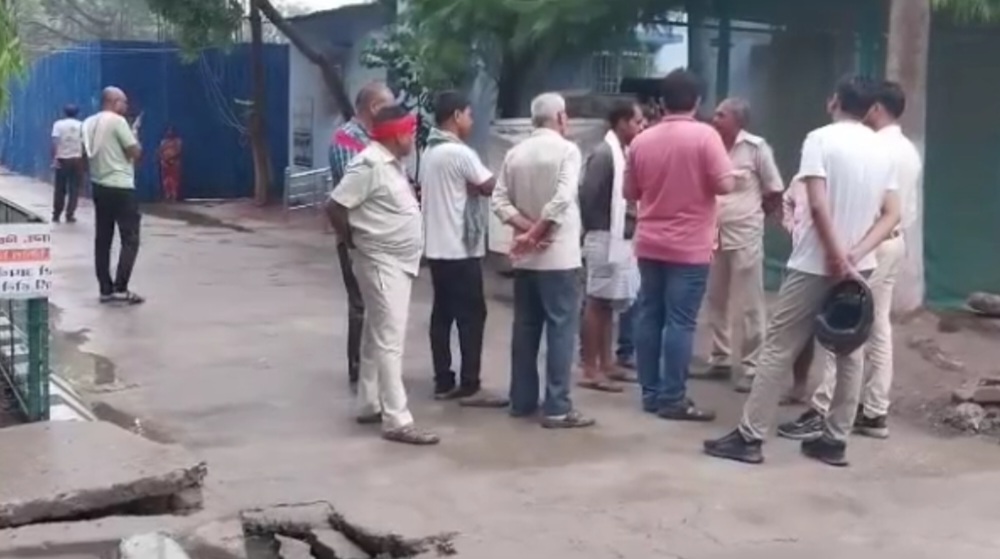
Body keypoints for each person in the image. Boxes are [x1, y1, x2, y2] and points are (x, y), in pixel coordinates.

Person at [703, 76, 901, 467]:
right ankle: (835, 439)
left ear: (834, 101)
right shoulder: (883, 149)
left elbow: (819, 204)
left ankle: (750, 436)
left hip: (814, 262)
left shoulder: (819, 140)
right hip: (860, 266)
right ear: (870, 108)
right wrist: (855, 254)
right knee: (849, 351)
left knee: (779, 346)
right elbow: (892, 213)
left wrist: (834, 255)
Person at [778, 80, 923, 442]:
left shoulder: (875, 147)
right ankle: (874, 410)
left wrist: (847, 251)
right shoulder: (907, 149)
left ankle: (823, 409)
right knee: (875, 328)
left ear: (876, 108)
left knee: (840, 326)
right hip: (891, 241)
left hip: (866, 245)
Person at [325, 104, 438, 446]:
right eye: (409, 132)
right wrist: (354, 241)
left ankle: (369, 402)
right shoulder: (370, 164)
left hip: (395, 261)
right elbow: (335, 206)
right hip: (380, 260)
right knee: (390, 339)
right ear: (397, 135)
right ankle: (397, 419)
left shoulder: (391, 164)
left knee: (376, 334)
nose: (413, 138)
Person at [625, 69, 735, 421]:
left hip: (650, 243)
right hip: (689, 247)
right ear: (697, 101)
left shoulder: (642, 140)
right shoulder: (706, 137)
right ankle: (673, 397)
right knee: (680, 322)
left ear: (661, 102)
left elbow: (629, 192)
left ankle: (650, 393)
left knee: (649, 315)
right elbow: (725, 185)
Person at [491, 92, 595, 429]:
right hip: (559, 257)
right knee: (561, 331)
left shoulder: (515, 153)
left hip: (526, 260)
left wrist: (526, 231)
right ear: (561, 117)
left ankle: (522, 401)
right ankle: (557, 407)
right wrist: (538, 232)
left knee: (525, 330)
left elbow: (499, 201)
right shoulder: (567, 151)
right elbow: (563, 199)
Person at [419, 90, 506, 406]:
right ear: (456, 116)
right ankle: (471, 384)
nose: (471, 121)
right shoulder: (459, 153)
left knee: (442, 316)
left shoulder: (430, 151)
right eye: (469, 115)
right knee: (472, 317)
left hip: (437, 247)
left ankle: (443, 380)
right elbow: (492, 186)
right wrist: (481, 185)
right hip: (460, 249)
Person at [698, 98, 784, 393]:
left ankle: (751, 366)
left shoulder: (756, 149)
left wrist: (755, 216)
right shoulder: (709, 144)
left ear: (738, 121)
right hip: (712, 233)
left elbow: (774, 189)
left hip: (745, 233)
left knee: (750, 302)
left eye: (721, 115)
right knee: (715, 297)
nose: (715, 119)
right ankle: (720, 358)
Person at [328, 81, 395, 393]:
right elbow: (349, 196)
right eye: (388, 106)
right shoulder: (347, 140)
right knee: (361, 304)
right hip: (357, 236)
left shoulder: (375, 140)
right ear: (374, 107)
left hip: (381, 235)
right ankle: (359, 367)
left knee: (380, 304)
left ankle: (376, 365)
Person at [578, 99, 644, 392]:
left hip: (615, 237)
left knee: (607, 304)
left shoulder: (621, 152)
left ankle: (606, 363)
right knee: (596, 302)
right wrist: (600, 230)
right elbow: (588, 196)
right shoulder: (605, 155)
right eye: (637, 122)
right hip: (603, 236)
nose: (641, 127)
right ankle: (590, 368)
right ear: (622, 123)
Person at [82, 87, 144, 305]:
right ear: (113, 101)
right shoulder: (118, 122)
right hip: (121, 187)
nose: (126, 107)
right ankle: (121, 288)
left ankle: (105, 289)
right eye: (123, 102)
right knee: (130, 238)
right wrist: (135, 136)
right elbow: (134, 153)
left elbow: (85, 155)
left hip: (99, 186)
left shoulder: (88, 123)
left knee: (103, 239)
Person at [51, 104, 84, 223]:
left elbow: (55, 142)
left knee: (60, 188)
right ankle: (70, 214)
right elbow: (84, 143)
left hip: (62, 159)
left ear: (64, 112)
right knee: (74, 189)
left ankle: (56, 214)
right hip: (77, 159)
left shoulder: (58, 124)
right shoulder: (82, 125)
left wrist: (54, 158)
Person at [158, 126, 183, 202]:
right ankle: (167, 195)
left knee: (174, 180)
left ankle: (174, 195)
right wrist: (164, 159)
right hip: (164, 163)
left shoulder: (177, 141)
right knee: (166, 180)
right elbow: (160, 151)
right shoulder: (163, 142)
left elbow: (179, 151)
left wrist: (171, 159)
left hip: (174, 162)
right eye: (168, 130)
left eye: (171, 130)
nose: (169, 132)